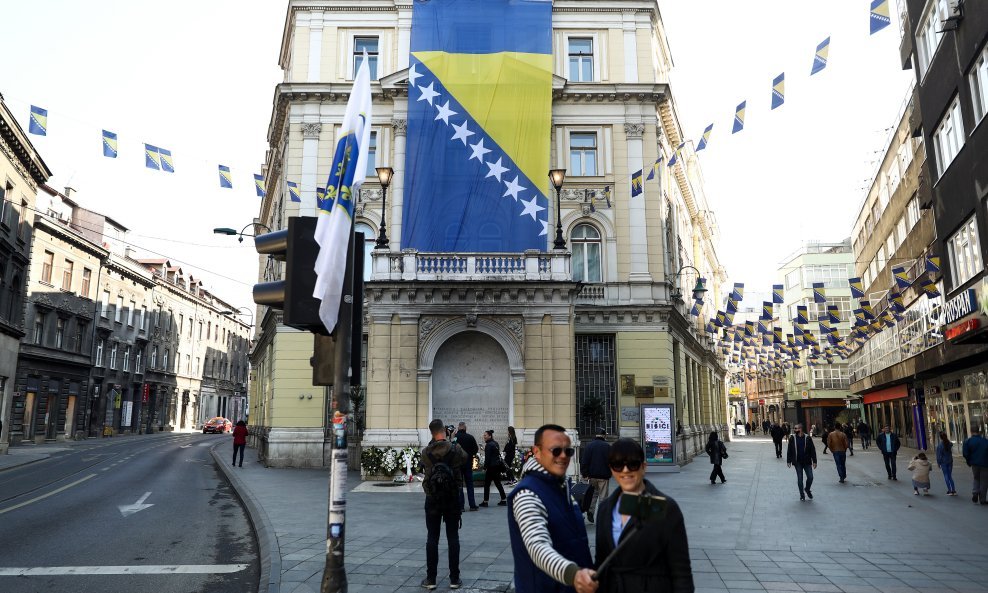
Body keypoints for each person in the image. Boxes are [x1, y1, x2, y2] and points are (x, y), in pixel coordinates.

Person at [594, 438, 694, 593]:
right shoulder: (605, 509)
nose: (625, 470)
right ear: (611, 469)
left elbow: (681, 571)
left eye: (632, 464)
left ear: (643, 467)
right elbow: (601, 562)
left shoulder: (664, 507)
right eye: (618, 465)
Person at [507, 424, 597, 593]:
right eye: (556, 450)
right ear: (536, 451)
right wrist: (573, 574)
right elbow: (537, 546)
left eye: (568, 451)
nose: (563, 456)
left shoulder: (561, 486)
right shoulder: (527, 493)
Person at [421, 418, 469, 589]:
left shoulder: (426, 452)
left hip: (432, 498)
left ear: (432, 434)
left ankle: (431, 579)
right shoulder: (455, 449)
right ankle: (454, 579)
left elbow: (424, 467)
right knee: (453, 538)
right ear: (444, 431)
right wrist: (451, 440)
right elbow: (465, 458)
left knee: (432, 538)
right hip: (452, 498)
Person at [580, 427, 611, 524]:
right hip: (604, 476)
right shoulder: (607, 446)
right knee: (603, 497)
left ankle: (590, 510)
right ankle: (601, 515)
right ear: (604, 435)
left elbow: (584, 461)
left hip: (592, 476)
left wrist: (585, 473)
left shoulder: (589, 446)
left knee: (593, 495)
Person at [452, 422, 480, 511]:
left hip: (458, 465)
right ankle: (472, 505)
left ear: (458, 428)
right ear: (465, 428)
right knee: (469, 485)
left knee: (459, 485)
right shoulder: (470, 437)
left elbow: (451, 449)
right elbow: (475, 449)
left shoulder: (455, 438)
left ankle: (461, 506)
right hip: (468, 464)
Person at [786, 423, 817, 501]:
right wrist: (788, 461)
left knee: (810, 477)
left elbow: (812, 450)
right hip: (797, 462)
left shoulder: (808, 438)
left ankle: (807, 489)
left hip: (807, 461)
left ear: (801, 429)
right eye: (795, 429)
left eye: (796, 428)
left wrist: (814, 461)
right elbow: (789, 450)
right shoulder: (792, 438)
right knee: (800, 479)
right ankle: (802, 494)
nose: (795, 430)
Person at [480, 430, 507, 507]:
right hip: (497, 466)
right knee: (498, 483)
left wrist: (485, 467)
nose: (484, 436)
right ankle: (503, 499)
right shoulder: (495, 443)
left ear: (490, 436)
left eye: (485, 435)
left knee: (487, 484)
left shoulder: (489, 445)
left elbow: (488, 458)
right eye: (484, 435)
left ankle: (485, 501)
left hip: (491, 467)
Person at [962, 426, 988, 504]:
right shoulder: (985, 441)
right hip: (985, 463)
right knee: (984, 481)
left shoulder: (968, 441)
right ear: (978, 431)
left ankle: (975, 492)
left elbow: (965, 453)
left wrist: (969, 461)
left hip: (974, 463)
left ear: (971, 431)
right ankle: (982, 499)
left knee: (976, 478)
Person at [936, 431, 957, 496]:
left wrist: (938, 463)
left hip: (943, 462)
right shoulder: (949, 444)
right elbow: (951, 444)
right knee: (950, 475)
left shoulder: (940, 446)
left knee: (946, 475)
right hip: (950, 461)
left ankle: (949, 490)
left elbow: (938, 455)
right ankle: (953, 490)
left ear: (940, 438)